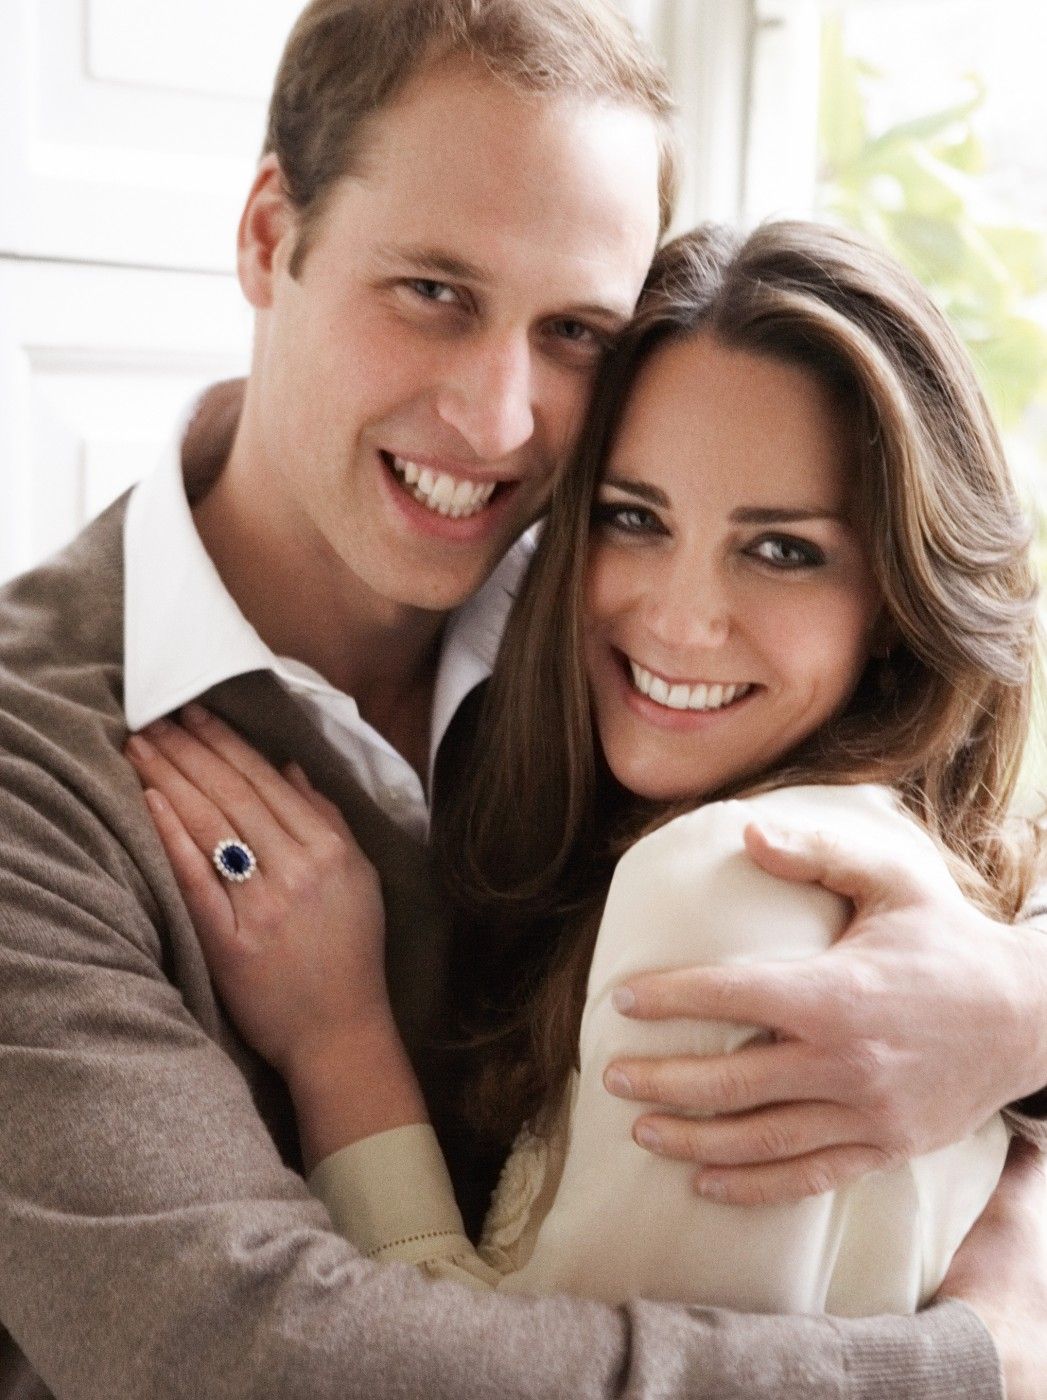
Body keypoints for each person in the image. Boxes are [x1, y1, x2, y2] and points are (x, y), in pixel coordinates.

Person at [0, 0, 1043, 1394]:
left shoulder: (637, 621)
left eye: (570, 332)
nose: (495, 421)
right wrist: (976, 1366)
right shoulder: (34, 773)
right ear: (267, 235)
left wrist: (1008, 1010)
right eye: (431, 291)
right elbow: (237, 1351)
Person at [128, 219, 1040, 1322]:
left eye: (782, 548)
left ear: (899, 598)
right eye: (632, 517)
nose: (679, 621)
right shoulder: (908, 854)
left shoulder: (732, 881)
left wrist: (339, 1040)